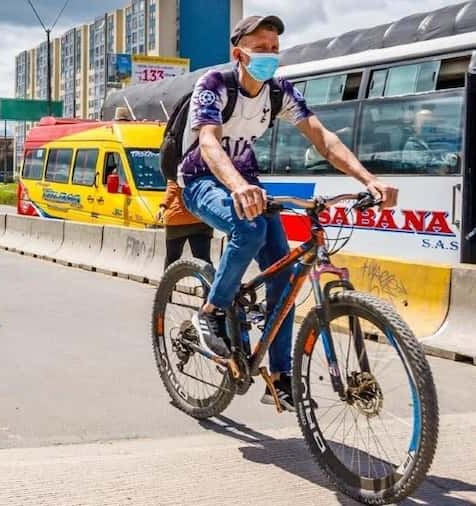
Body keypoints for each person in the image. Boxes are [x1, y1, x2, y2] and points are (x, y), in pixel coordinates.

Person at [177, 15, 398, 411]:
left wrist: (369, 180)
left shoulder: (278, 92)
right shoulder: (214, 85)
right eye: (260, 48)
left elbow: (323, 138)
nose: (270, 56)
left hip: (248, 184)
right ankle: (210, 312)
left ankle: (279, 378)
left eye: (275, 49)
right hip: (201, 181)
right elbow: (209, 143)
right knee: (251, 228)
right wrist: (238, 186)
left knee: (285, 276)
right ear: (238, 54)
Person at [156, 181, 213, 267]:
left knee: (172, 259)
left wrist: (163, 206)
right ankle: (209, 280)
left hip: (177, 220)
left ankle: (168, 280)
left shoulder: (178, 170)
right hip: (200, 218)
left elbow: (172, 187)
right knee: (203, 260)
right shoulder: (205, 170)